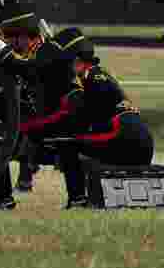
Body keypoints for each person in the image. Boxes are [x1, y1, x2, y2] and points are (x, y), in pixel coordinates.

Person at [21, 28, 155, 209]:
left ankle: (77, 199)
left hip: (125, 137)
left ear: (76, 62)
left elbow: (71, 117)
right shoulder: (98, 73)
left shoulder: (88, 78)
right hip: (138, 138)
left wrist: (29, 127)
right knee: (76, 141)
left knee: (68, 144)